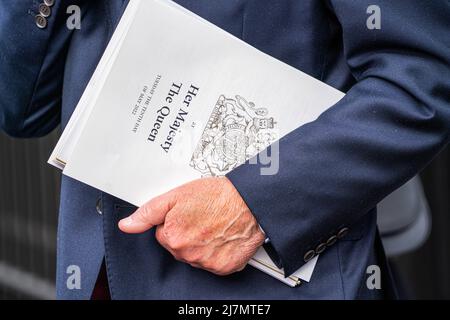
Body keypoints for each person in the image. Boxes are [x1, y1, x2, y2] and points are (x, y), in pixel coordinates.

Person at [0, 0, 449, 300]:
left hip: (254, 283)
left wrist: (256, 203)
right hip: (94, 274)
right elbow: (22, 111)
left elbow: (423, 77)